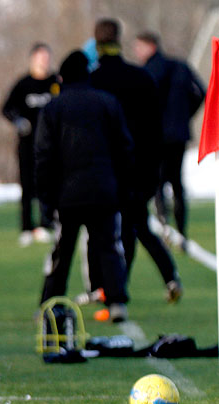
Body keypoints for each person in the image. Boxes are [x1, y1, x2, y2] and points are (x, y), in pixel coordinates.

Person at [35, 50, 133, 322]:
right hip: (103, 190)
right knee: (108, 247)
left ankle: (49, 303)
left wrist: (46, 198)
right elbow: (124, 149)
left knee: (61, 252)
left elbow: (43, 155)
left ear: (63, 76)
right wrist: (123, 188)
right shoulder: (107, 103)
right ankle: (116, 302)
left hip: (66, 195)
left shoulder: (53, 108)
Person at [91, 18, 182, 305]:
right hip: (139, 168)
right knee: (137, 226)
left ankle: (111, 290)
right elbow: (156, 130)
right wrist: (154, 170)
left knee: (108, 234)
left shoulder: (93, 80)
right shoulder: (142, 78)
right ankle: (165, 277)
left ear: (96, 43)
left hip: (106, 171)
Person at [133, 31, 206, 246]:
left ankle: (164, 223)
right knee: (177, 182)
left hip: (159, 135)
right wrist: (186, 115)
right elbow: (200, 92)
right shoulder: (181, 66)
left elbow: (143, 103)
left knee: (158, 180)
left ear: (149, 46)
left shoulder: (148, 71)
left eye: (139, 47)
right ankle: (182, 229)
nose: (137, 52)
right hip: (179, 134)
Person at [2, 42, 60, 246]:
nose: (44, 61)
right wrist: (18, 121)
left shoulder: (56, 82)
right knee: (27, 186)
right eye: (40, 57)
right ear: (33, 59)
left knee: (50, 185)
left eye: (47, 57)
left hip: (52, 146)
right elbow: (6, 108)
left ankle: (47, 223)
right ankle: (27, 227)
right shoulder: (23, 84)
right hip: (28, 145)